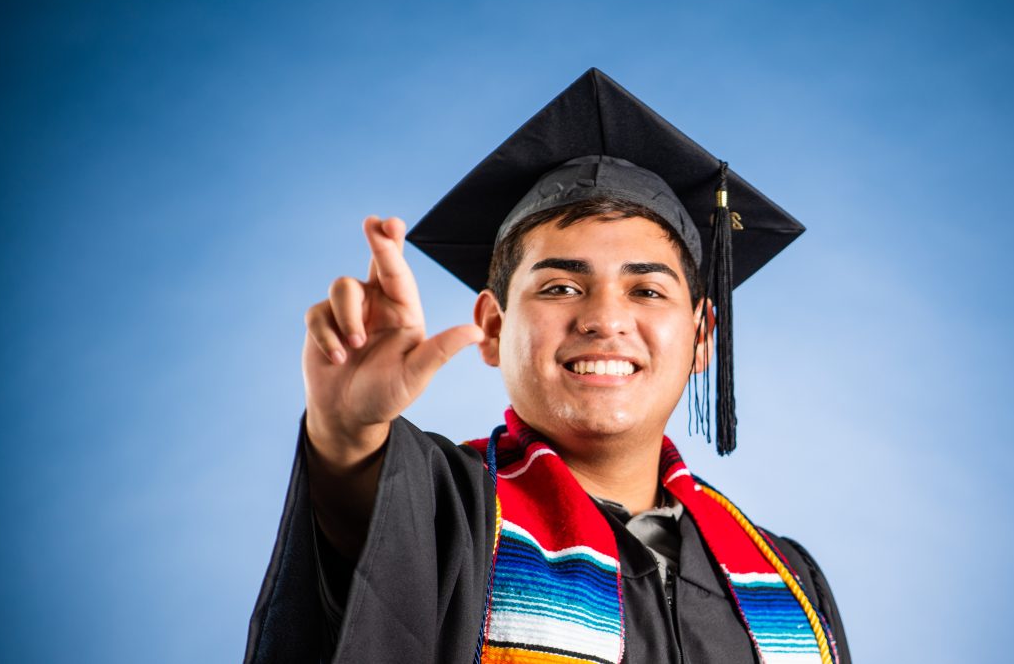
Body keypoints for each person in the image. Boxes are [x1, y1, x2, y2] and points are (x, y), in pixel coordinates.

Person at [244, 68, 849, 664]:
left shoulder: (784, 579)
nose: (604, 319)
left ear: (701, 338)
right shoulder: (445, 515)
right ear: (493, 327)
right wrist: (346, 435)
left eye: (647, 291)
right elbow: (362, 537)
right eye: (560, 288)